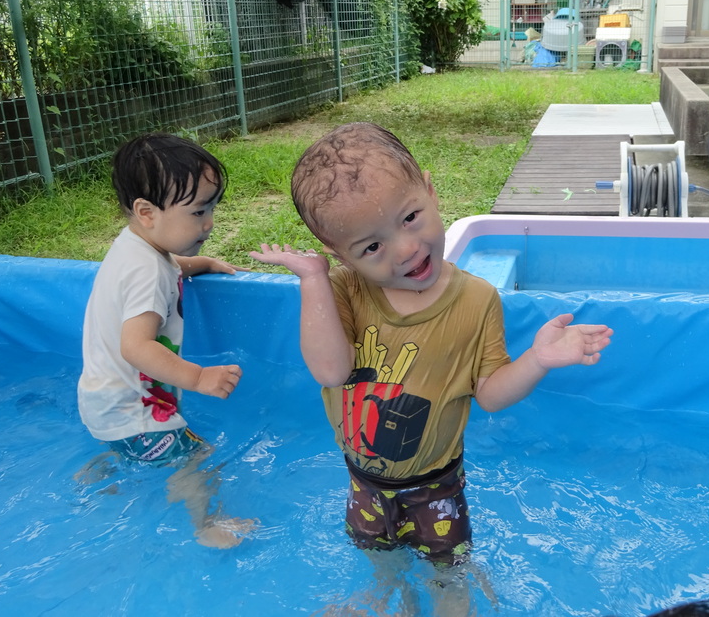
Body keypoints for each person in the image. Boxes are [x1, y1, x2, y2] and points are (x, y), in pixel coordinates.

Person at [249, 121, 613, 565]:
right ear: (340, 254)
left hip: (436, 487)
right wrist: (313, 280)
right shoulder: (343, 290)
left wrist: (537, 359)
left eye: (409, 218)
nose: (405, 249)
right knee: (375, 556)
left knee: (449, 567)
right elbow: (331, 371)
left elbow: (490, 395)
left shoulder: (475, 300)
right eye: (371, 247)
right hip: (363, 481)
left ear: (430, 191)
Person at [77, 132, 254, 548]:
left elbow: (166, 265)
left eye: (212, 208)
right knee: (196, 456)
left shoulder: (136, 248)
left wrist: (198, 263)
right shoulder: (147, 273)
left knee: (146, 448)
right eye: (198, 212)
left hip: (105, 402)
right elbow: (136, 347)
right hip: (134, 410)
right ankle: (206, 526)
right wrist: (199, 377)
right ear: (147, 212)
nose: (209, 222)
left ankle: (104, 467)